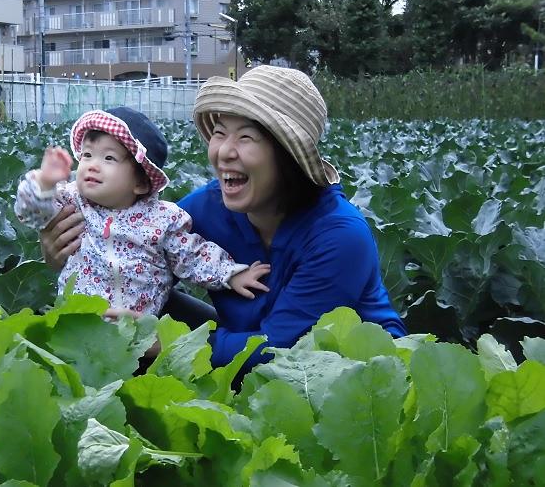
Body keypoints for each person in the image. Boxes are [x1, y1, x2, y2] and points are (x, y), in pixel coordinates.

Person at [40, 68, 407, 372]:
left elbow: (281, 350)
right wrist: (66, 252)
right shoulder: (204, 208)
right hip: (238, 359)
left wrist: (167, 343)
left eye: (246, 137)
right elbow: (133, 243)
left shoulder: (340, 236)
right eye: (219, 133)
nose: (224, 152)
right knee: (123, 309)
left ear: (288, 157)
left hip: (349, 380)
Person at [15, 106, 271, 317]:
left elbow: (192, 255)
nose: (92, 165)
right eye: (88, 155)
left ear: (141, 183)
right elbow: (32, 212)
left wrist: (231, 274)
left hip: (140, 337)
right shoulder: (72, 201)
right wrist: (43, 183)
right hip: (78, 326)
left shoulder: (162, 220)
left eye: (109, 159)